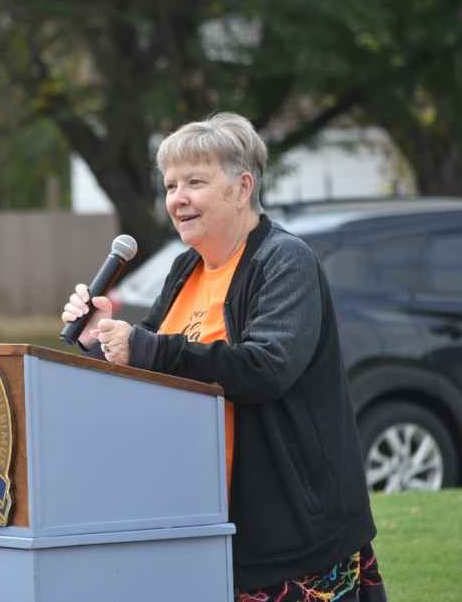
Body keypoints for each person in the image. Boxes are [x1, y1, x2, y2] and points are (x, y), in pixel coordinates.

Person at [61, 112, 387, 601]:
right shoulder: (185, 268)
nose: (178, 198)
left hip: (290, 534)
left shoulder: (282, 260)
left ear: (242, 187)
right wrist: (98, 337)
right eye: (171, 185)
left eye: (195, 181)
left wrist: (145, 347)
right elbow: (147, 364)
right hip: (200, 523)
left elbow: (266, 368)